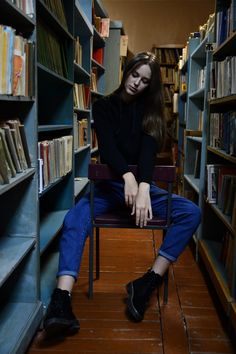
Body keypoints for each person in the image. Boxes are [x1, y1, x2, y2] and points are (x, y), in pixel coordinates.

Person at [43, 51, 201, 335]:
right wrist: (128, 177)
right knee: (74, 220)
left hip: (141, 189)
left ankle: (147, 283)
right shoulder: (104, 106)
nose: (136, 83)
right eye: (134, 75)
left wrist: (142, 187)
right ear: (127, 72)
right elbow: (107, 148)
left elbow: (147, 154)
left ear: (149, 86)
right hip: (108, 188)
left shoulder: (151, 114)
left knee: (191, 212)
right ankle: (61, 300)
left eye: (144, 81)